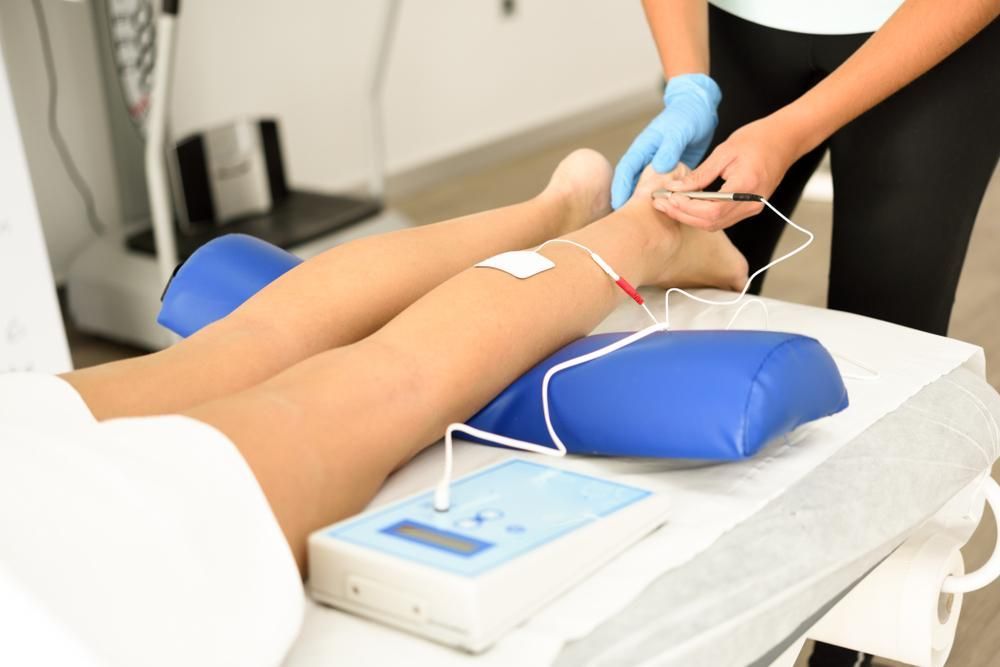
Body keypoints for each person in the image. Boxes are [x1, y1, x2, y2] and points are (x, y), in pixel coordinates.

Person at [0, 150, 747, 665]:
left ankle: (646, 232)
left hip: (50, 566)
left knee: (389, 377)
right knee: (256, 341)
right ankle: (560, 210)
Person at [613, 0, 1000, 339]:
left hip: (931, 35)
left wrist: (792, 132)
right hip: (734, 32)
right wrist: (688, 88)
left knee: (884, 329)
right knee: (680, 307)